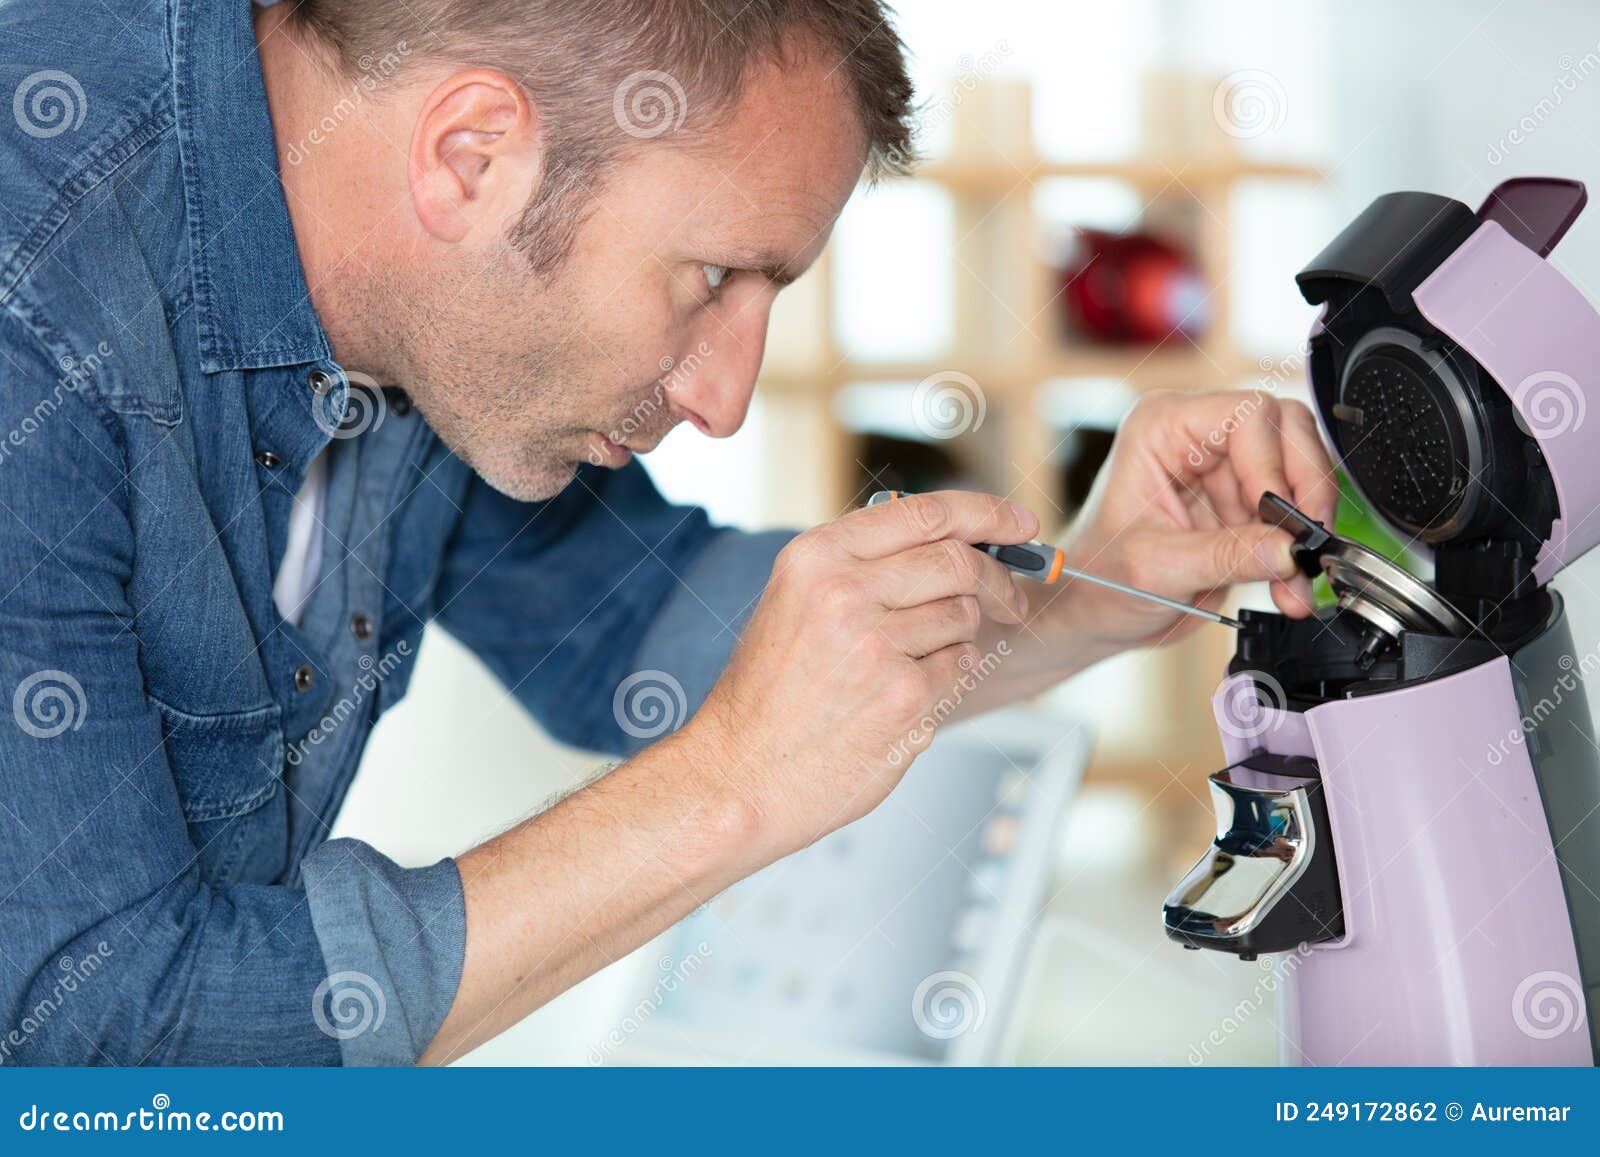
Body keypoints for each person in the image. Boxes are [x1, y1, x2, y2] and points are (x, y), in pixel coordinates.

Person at [0, 0, 1335, 1065]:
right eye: (713, 280)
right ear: (472, 156)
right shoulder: (34, 293)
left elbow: (631, 624)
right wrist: (731, 784)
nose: (720, 393)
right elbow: (104, 1043)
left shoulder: (426, 317)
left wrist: (1086, 590)